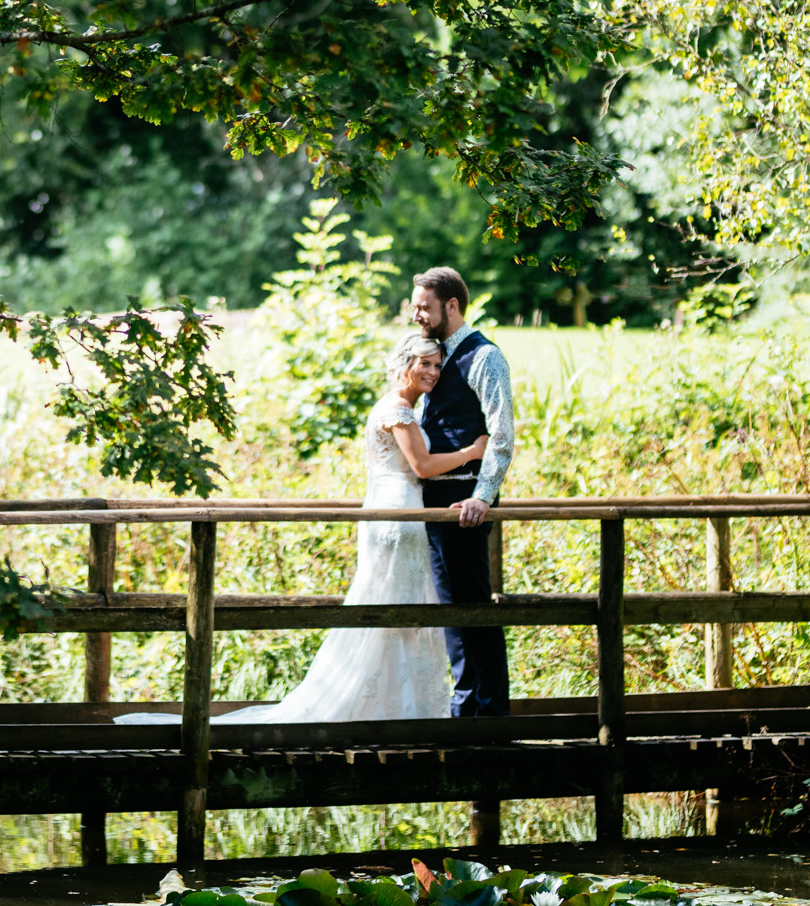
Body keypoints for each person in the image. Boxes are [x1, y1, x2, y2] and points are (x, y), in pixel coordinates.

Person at [118, 334, 487, 725]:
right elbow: (422, 466)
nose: (432, 372)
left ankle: (400, 706)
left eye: (436, 365)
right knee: (395, 606)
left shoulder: (403, 407)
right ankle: (387, 710)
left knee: (404, 605)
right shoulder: (398, 408)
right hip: (398, 515)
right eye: (424, 363)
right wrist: (472, 453)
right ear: (405, 363)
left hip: (397, 507)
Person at [409, 265, 515, 717]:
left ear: (451, 306)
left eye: (424, 307)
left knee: (473, 606)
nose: (416, 314)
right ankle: (465, 704)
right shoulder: (430, 354)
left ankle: (489, 713)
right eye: (414, 306)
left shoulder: (485, 357)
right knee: (451, 609)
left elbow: (502, 433)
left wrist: (483, 496)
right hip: (432, 501)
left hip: (465, 500)